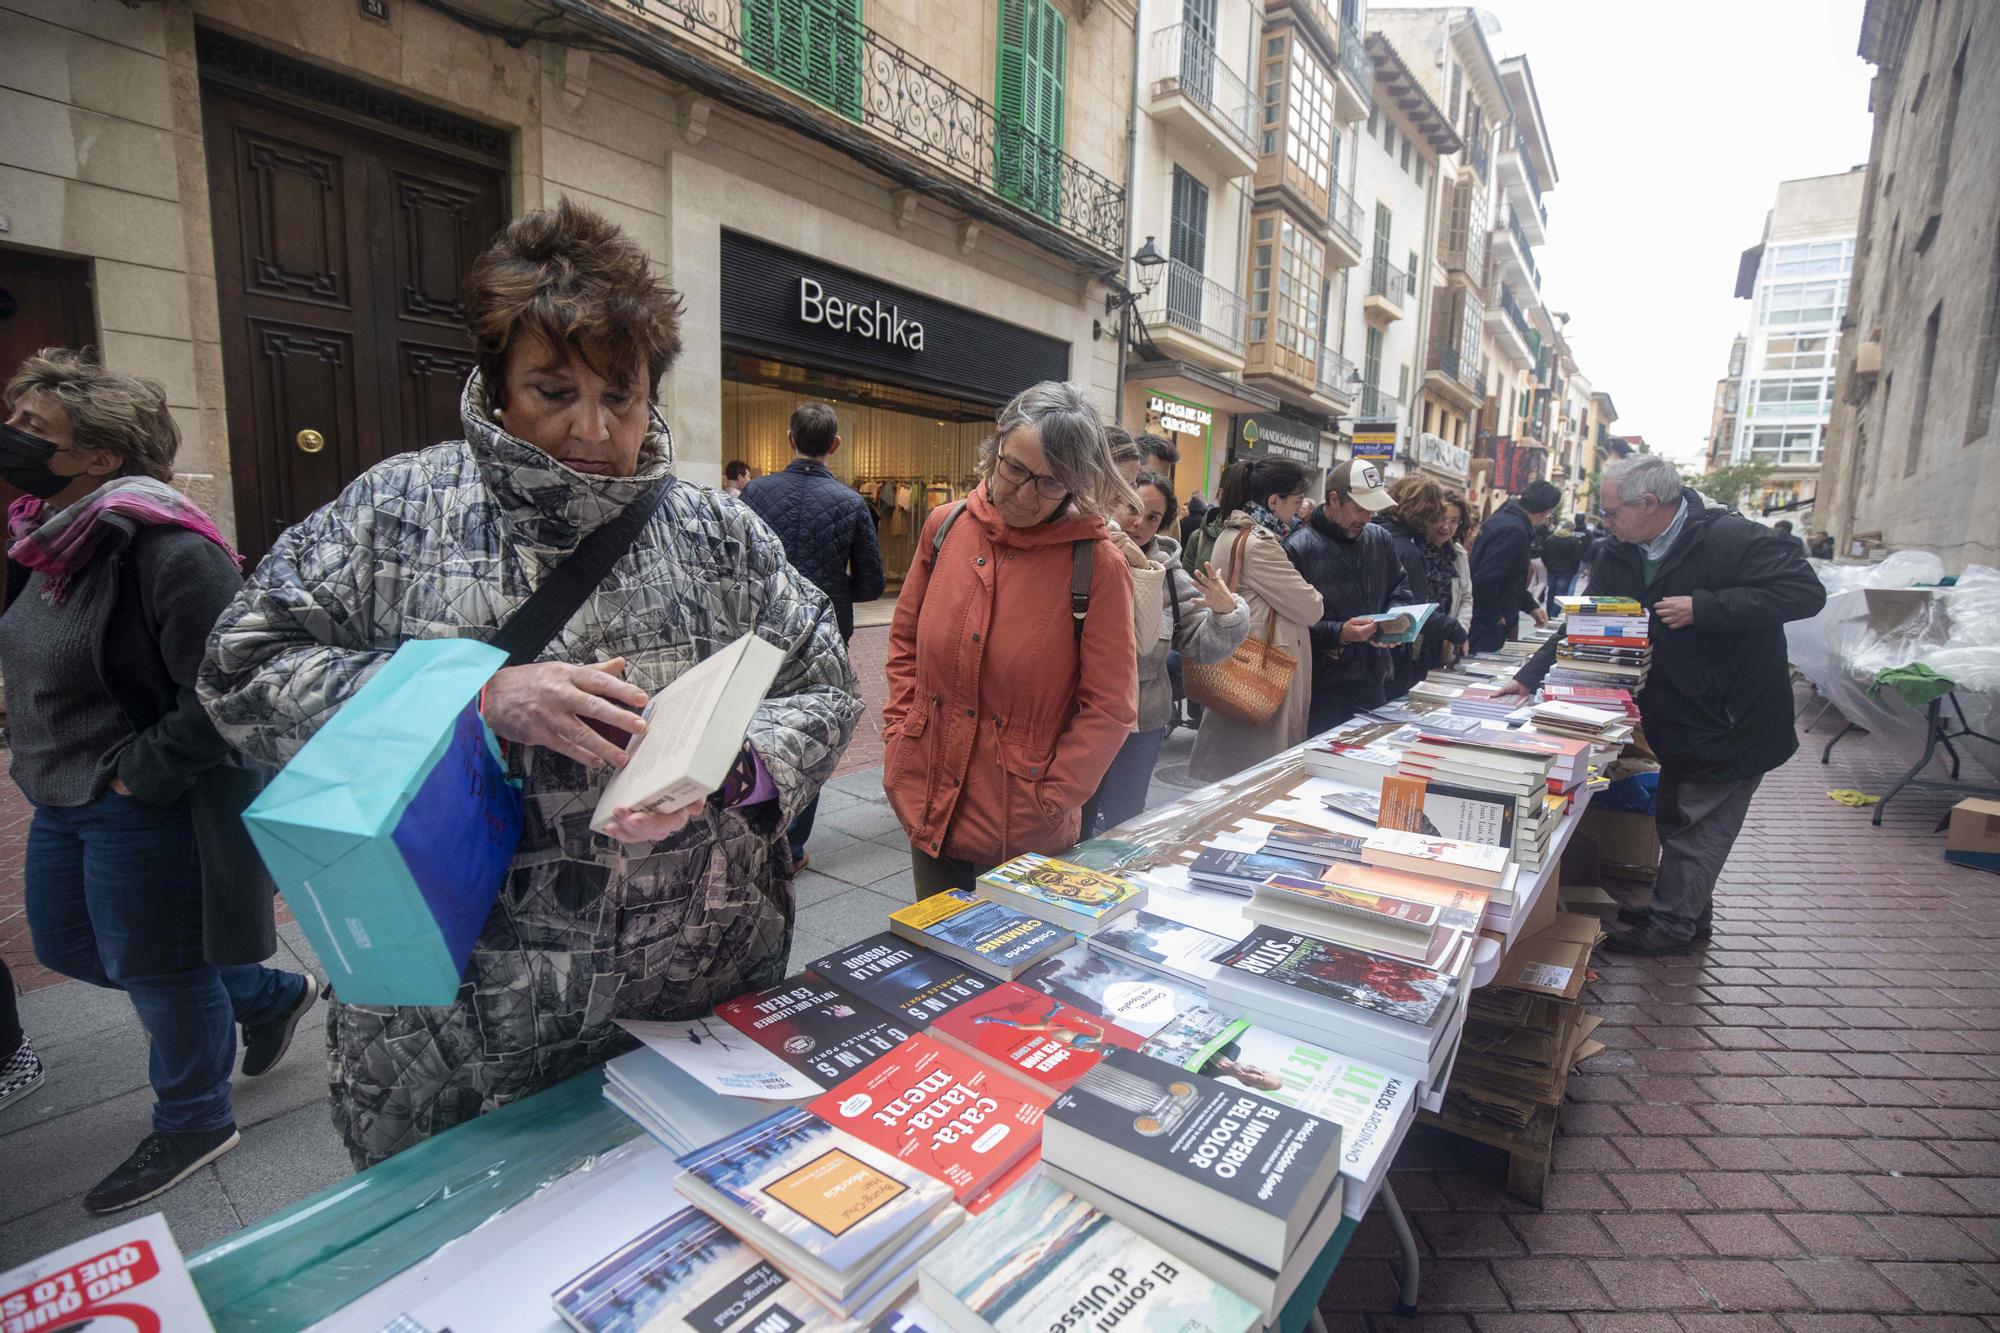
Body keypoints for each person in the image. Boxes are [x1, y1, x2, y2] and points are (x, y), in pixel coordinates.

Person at [201, 201, 862, 1167]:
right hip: (463, 1023)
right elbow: (240, 664)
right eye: (553, 390)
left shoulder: (719, 532)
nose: (592, 429)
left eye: (621, 397)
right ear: (498, 385)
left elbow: (825, 684)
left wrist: (734, 770)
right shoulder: (400, 508)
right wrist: (474, 695)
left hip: (695, 987)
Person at [2, 349, 314, 1211]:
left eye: (34, 429)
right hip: (60, 792)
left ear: (100, 456)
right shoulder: (40, 538)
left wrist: (138, 777)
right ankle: (266, 990)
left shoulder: (169, 550)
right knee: (69, 945)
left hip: (141, 799)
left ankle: (194, 1117)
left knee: (161, 965)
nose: (13, 438)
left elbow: (227, 689)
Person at [1499, 454, 1826, 956]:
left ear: (1649, 503)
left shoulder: (1733, 538)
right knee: (1677, 816)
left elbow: (1805, 593)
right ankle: (1685, 911)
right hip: (1674, 711)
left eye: (1611, 512)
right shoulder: (1620, 552)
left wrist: (1706, 608)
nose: (1605, 522)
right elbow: (1586, 620)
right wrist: (1529, 676)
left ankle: (1671, 927)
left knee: (1702, 823)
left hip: (1733, 713)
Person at [883, 382, 1138, 899]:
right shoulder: (946, 525)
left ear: (1075, 485)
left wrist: (1052, 796)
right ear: (996, 447)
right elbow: (905, 643)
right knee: (934, 964)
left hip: (1024, 826)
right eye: (1014, 469)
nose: (1023, 493)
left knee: (1014, 970)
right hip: (929, 799)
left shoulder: (1096, 564)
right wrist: (900, 737)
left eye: (1048, 483)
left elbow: (1110, 706)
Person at [740, 401, 886, 869]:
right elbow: (872, 583)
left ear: (790, 439)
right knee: (811, 728)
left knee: (749, 723)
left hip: (758, 629)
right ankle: (794, 844)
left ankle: (749, 829)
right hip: (822, 634)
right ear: (835, 445)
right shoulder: (850, 502)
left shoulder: (756, 493)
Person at [1083, 469, 1248, 834]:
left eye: (1153, 517)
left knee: (1123, 823)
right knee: (1072, 820)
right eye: (1132, 507)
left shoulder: (1169, 575)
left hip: (1141, 721)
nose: (1139, 522)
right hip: (1080, 718)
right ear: (1113, 502)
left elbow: (1200, 645)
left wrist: (1226, 613)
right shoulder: (1079, 557)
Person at [1188, 459, 1324, 781]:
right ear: (1274, 501)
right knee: (1259, 773)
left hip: (1240, 656)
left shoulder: (1231, 534)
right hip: (1263, 668)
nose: (1299, 509)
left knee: (1232, 770)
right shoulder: (1259, 544)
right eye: (1295, 501)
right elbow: (1311, 607)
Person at [1284, 461, 1408, 731]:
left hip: (1373, 680)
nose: (1366, 518)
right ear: (1334, 500)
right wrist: (1340, 633)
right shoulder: (1297, 547)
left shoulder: (1379, 539)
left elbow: (1400, 588)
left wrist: (1394, 621)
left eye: (1371, 510)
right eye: (1360, 508)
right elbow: (1291, 626)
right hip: (1321, 688)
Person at [1376, 475, 1469, 687]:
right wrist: (1456, 631)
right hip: (1392, 650)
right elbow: (1415, 611)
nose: (1441, 523)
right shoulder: (1407, 549)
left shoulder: (1378, 534)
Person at [1467, 479, 1559, 653]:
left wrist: (1531, 606)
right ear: (1546, 512)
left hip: (1484, 618)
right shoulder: (1515, 530)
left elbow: (1510, 580)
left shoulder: (1503, 518)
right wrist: (1496, 617)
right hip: (1486, 625)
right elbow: (1487, 579)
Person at [1541, 519, 1582, 611]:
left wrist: (1548, 565)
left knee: (1551, 592)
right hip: (1566, 571)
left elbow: (1544, 555)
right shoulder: (1573, 540)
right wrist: (1574, 570)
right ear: (1571, 529)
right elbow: (1576, 557)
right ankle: (1554, 614)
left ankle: (1548, 613)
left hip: (1551, 570)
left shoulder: (1550, 538)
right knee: (1560, 595)